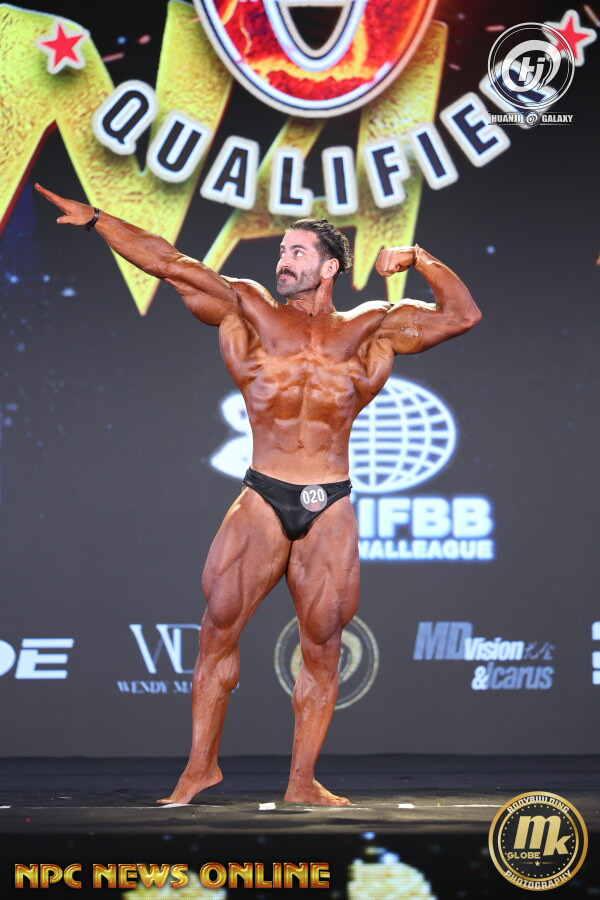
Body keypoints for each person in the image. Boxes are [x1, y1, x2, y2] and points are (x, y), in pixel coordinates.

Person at [34, 183, 481, 806]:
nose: (284, 261)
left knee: (322, 646)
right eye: (282, 252)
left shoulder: (371, 328)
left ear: (330, 267)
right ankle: (199, 769)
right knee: (217, 629)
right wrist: (97, 220)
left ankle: (302, 782)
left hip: (331, 500)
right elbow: (169, 263)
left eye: (298, 252)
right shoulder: (247, 308)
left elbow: (462, 315)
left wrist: (418, 257)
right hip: (263, 494)